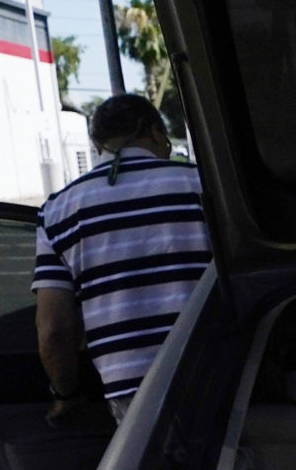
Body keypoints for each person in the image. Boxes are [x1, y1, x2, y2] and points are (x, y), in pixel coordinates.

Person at [32, 94, 211, 421]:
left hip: (130, 390)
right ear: (155, 132)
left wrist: (65, 394)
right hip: (215, 370)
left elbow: (54, 328)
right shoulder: (202, 185)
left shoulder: (57, 211)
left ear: (98, 143)